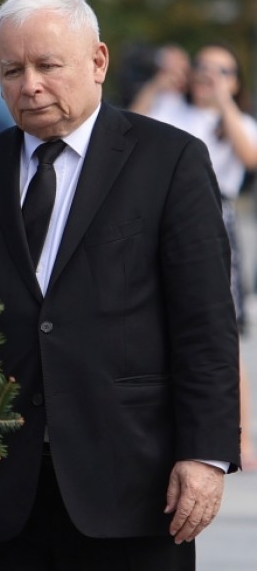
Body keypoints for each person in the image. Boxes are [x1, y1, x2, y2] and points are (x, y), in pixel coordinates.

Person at [0, 0, 241, 570]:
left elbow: (205, 321)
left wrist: (205, 455)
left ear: (97, 61)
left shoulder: (169, 160)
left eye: (48, 65)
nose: (30, 85)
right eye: (12, 69)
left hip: (133, 489)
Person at [133, 42, 257, 470]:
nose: (207, 75)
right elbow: (130, 126)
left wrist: (224, 101)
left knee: (219, 328)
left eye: (221, 70)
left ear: (236, 81)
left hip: (214, 218)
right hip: (157, 214)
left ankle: (237, 435)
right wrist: (158, 82)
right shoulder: (170, 106)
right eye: (202, 67)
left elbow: (250, 157)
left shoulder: (236, 122)